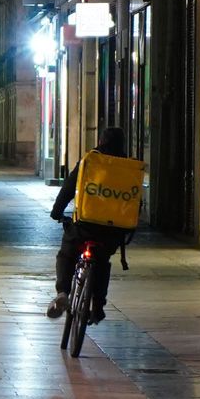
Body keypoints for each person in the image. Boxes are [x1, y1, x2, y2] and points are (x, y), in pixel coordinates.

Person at [46, 127, 129, 324]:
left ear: (100, 141)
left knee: (67, 254)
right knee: (102, 262)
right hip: (112, 231)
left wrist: (57, 212)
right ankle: (98, 306)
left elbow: (68, 188)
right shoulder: (128, 166)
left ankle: (63, 292)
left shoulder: (90, 161)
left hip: (85, 226)